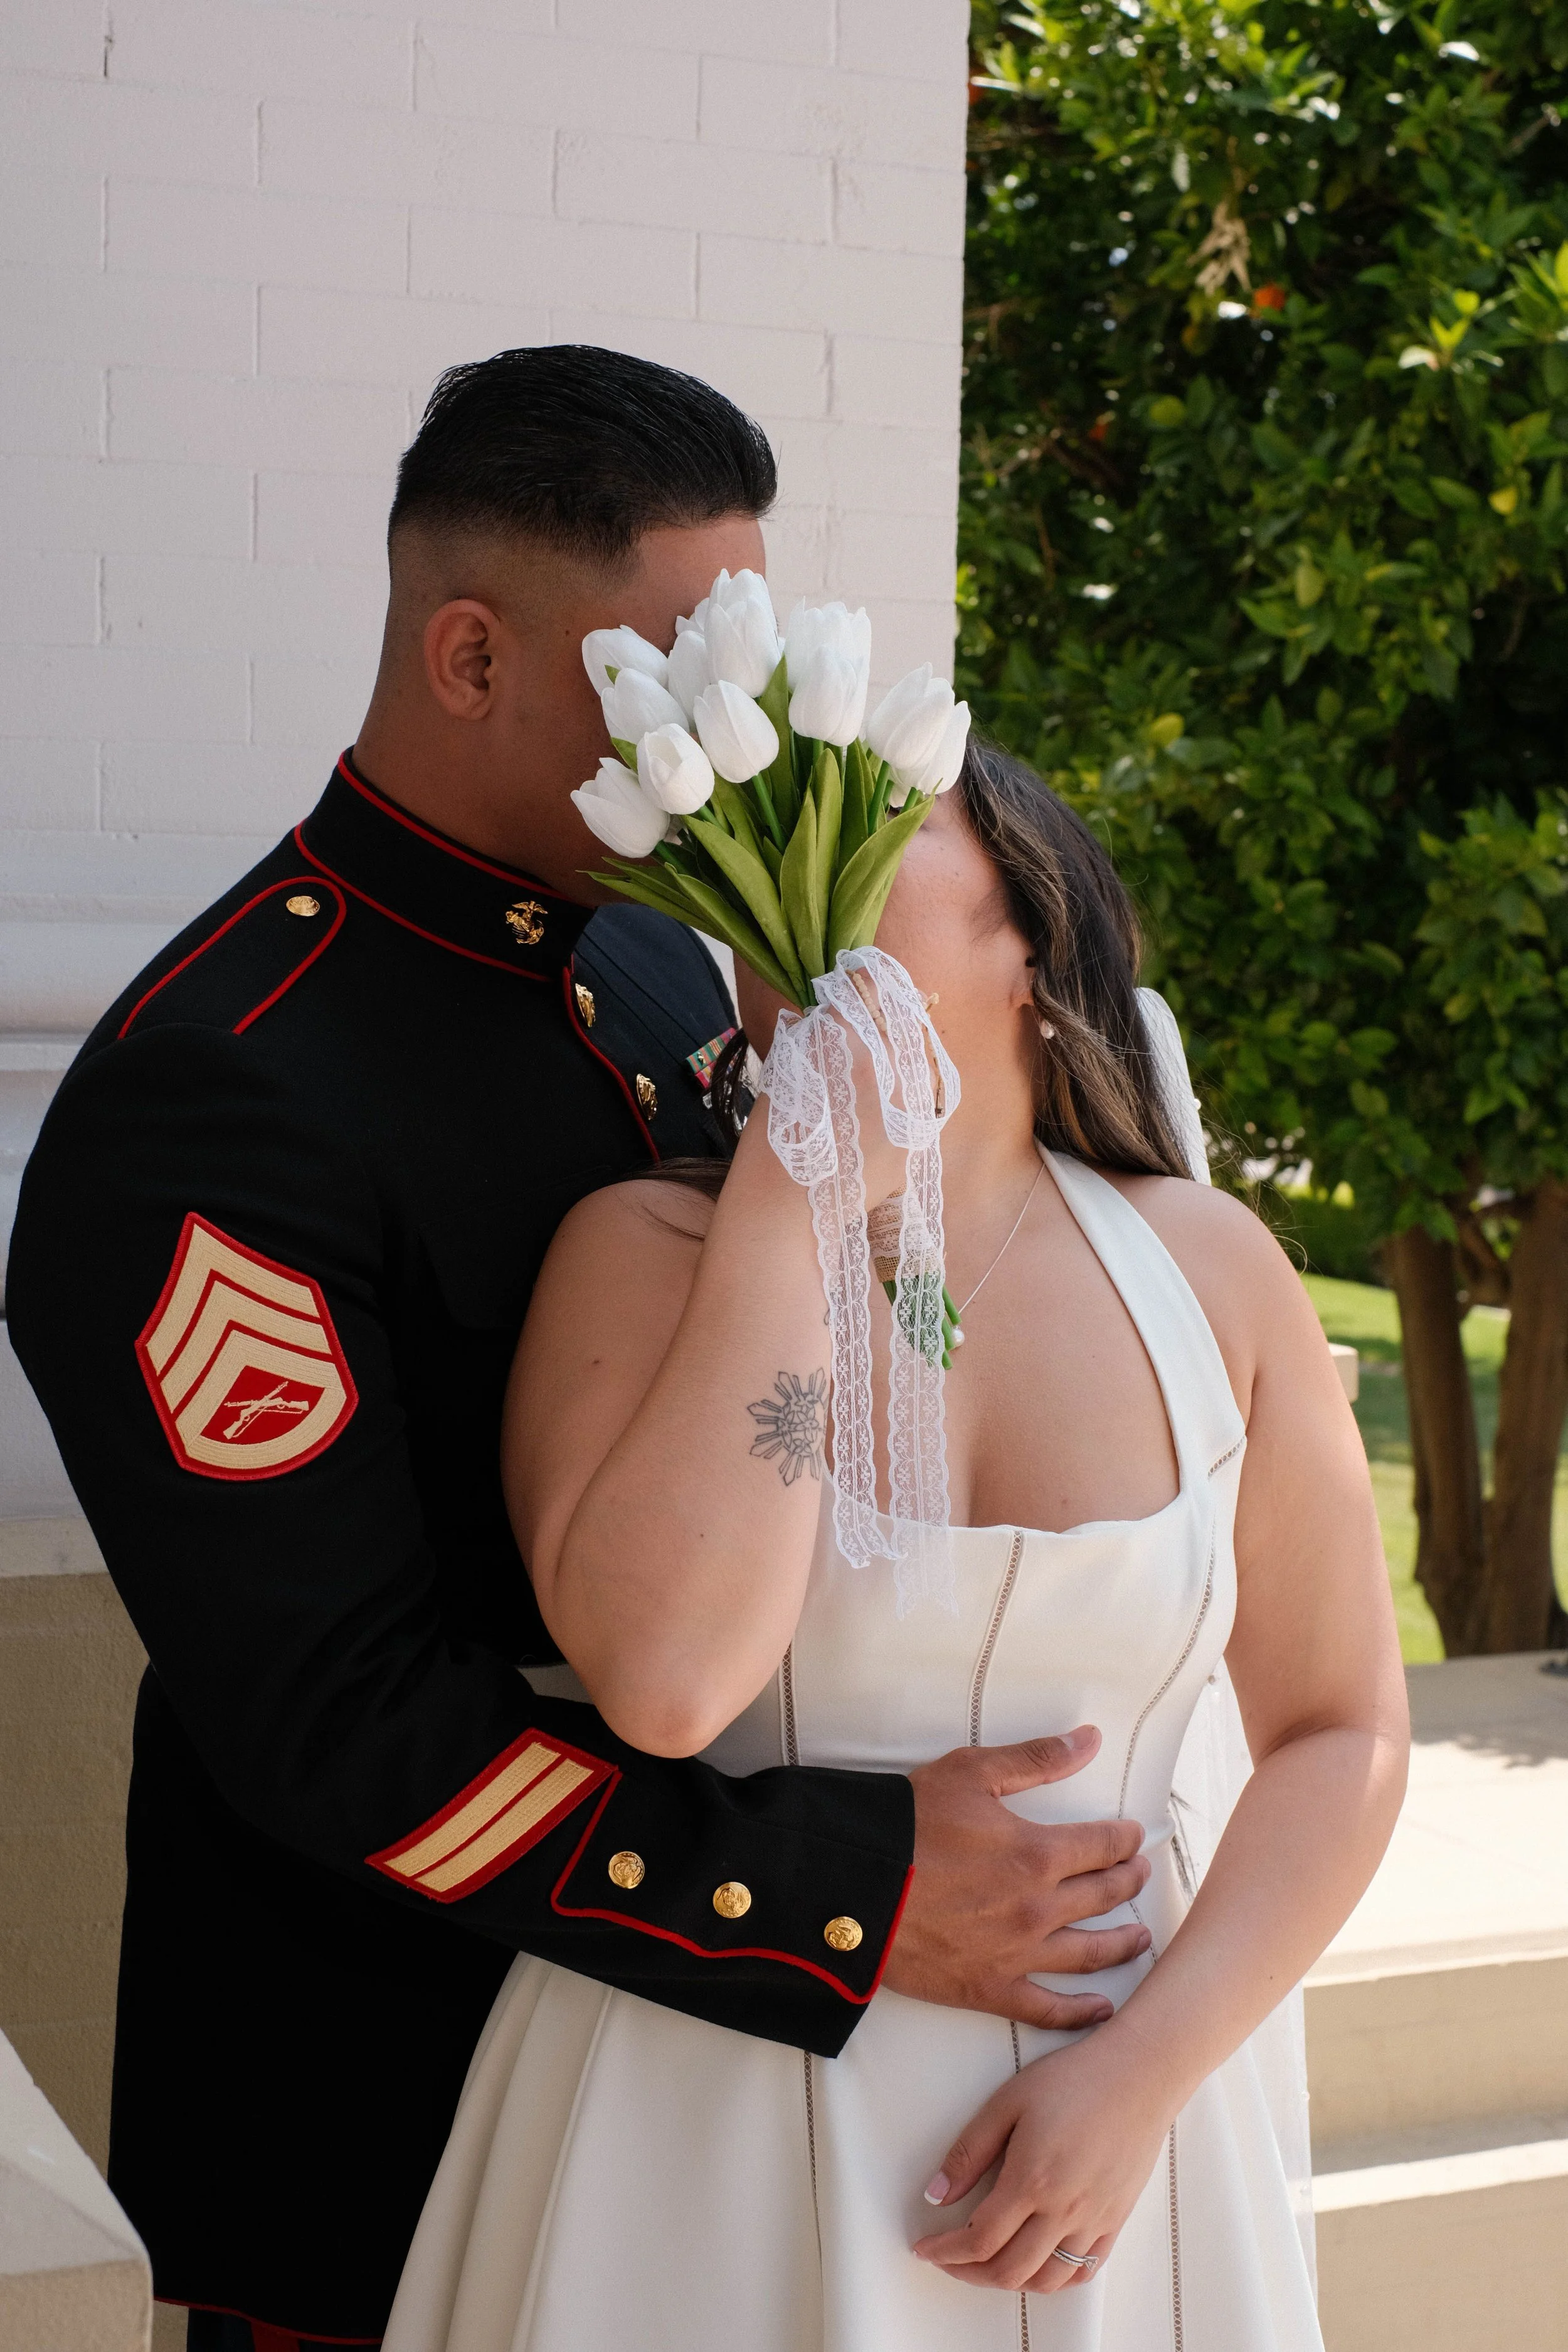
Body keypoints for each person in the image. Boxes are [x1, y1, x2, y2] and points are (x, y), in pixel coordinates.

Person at [6, 351, 1157, 2352]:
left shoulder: (652, 957)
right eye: (671, 663)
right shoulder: (220, 1085)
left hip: (728, 2106)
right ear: (470, 656)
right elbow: (341, 1727)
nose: (736, 720)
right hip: (393, 2082)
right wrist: (842, 1883)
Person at [383, 743, 1410, 2352]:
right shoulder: (643, 1255)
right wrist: (796, 1205)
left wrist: (1137, 2081)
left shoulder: (1212, 1273)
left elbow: (1339, 1731)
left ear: (1026, 944)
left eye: (872, 842)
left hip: (1118, 2143)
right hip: (707, 2107)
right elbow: (662, 1684)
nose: (802, 885)